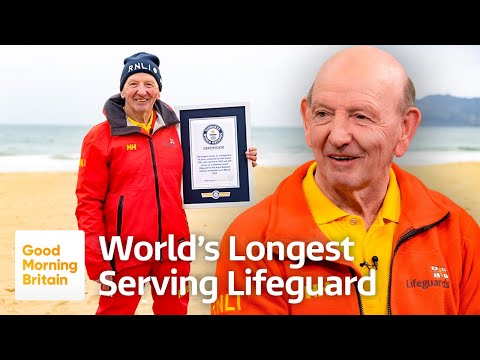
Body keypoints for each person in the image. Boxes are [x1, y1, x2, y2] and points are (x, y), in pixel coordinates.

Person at [211, 45, 480, 315]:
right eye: (323, 114)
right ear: (307, 121)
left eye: (361, 116)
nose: (338, 136)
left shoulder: (458, 233)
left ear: (405, 129)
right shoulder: (251, 241)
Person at [75, 51, 257, 315]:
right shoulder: (99, 137)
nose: (141, 91)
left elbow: (210, 160)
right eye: (133, 84)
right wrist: (95, 257)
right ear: (122, 91)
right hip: (124, 250)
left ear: (158, 91)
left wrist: (241, 157)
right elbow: (88, 202)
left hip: (173, 246)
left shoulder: (178, 129)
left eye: (149, 84)